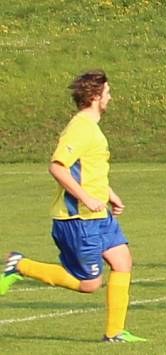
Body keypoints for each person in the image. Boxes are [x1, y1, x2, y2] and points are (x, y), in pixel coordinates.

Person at [0, 71, 146, 342]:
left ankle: (115, 332)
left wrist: (108, 194)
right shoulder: (81, 127)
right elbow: (58, 167)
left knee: (123, 260)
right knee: (89, 284)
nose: (110, 97)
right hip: (78, 218)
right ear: (94, 97)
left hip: (98, 215)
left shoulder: (92, 127)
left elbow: (89, 169)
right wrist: (87, 198)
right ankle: (20, 266)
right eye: (107, 92)